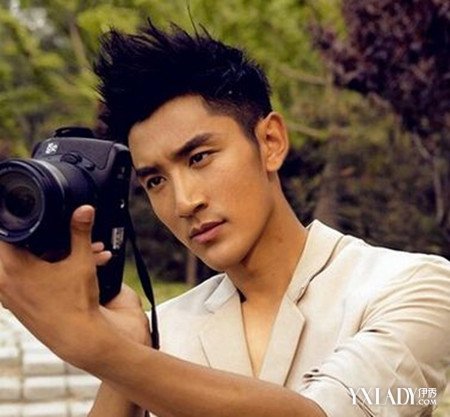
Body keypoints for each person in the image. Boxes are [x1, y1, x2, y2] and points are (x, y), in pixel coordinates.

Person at [0, 19, 449, 417]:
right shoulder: (161, 333)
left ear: (270, 142)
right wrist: (127, 351)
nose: (184, 202)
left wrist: (101, 350)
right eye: (155, 180)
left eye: (199, 158)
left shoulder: (412, 287)